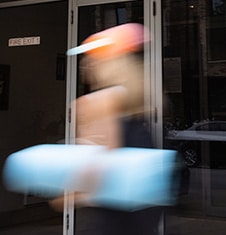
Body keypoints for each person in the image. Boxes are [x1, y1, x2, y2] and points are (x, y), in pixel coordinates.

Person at [67, 23, 162, 235]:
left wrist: (75, 191)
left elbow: (102, 158)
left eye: (92, 60)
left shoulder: (102, 102)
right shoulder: (137, 117)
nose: (87, 64)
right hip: (142, 203)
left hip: (118, 204)